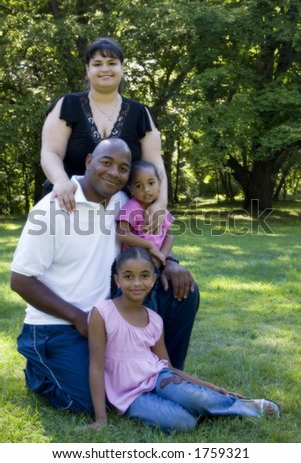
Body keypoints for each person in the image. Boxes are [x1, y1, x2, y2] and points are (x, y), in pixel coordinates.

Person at [10, 138, 198, 415]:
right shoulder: (50, 210)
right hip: (57, 325)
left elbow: (150, 235)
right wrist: (77, 317)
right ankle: (38, 370)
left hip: (107, 318)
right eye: (106, 163)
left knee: (182, 292)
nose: (114, 172)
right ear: (89, 162)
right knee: (88, 402)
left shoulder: (121, 202)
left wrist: (170, 261)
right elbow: (21, 280)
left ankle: (166, 375)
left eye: (123, 168)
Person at [85, 247, 280, 432]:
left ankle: (247, 406)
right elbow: (96, 367)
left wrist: (211, 387)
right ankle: (204, 410)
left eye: (144, 276)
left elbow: (167, 367)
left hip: (158, 377)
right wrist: (100, 418)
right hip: (130, 395)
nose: (137, 283)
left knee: (199, 396)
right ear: (117, 280)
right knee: (183, 422)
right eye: (128, 276)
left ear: (154, 279)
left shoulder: (154, 320)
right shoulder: (102, 313)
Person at [41, 36, 166, 235]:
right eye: (97, 63)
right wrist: (61, 181)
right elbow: (50, 152)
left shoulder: (141, 112)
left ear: (122, 68)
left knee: (164, 265)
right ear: (87, 70)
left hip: (123, 214)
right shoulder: (67, 105)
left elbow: (155, 163)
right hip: (69, 204)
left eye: (112, 63)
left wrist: (160, 202)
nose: (105, 69)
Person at [116, 160, 174, 266]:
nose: (146, 189)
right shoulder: (131, 207)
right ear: (131, 189)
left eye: (151, 183)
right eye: (138, 186)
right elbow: (122, 234)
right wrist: (150, 245)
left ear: (159, 183)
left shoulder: (160, 209)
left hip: (155, 262)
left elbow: (170, 236)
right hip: (134, 263)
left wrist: (162, 257)